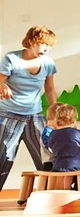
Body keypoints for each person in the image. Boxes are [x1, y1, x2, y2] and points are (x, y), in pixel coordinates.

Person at [0, 26, 58, 190]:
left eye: (50, 46)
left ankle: (51, 194)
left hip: (35, 115)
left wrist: (56, 113)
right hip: (8, 114)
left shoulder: (48, 63)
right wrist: (2, 86)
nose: (47, 49)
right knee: (4, 157)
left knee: (47, 154)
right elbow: (0, 81)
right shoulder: (12, 58)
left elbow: (50, 89)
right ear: (32, 41)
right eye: (43, 44)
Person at [47, 103, 80, 189]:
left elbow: (50, 147)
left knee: (68, 169)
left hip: (57, 165)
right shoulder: (76, 132)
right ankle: (79, 189)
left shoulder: (53, 133)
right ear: (73, 120)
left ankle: (67, 189)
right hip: (74, 165)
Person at [41, 102, 63, 171]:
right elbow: (49, 146)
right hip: (50, 164)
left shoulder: (55, 131)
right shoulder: (48, 131)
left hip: (58, 162)